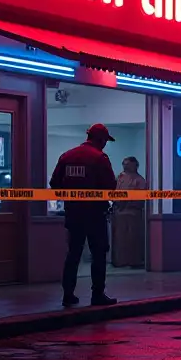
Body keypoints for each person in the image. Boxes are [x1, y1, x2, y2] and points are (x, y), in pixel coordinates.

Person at [50, 124, 118, 306]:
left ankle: (68, 295)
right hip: (96, 214)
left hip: (73, 213)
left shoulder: (67, 156)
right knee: (99, 254)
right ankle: (97, 294)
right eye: (104, 141)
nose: (104, 145)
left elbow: (54, 183)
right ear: (100, 139)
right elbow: (111, 186)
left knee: (73, 254)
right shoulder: (100, 158)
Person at [113, 156, 149, 268]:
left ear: (135, 165)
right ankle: (120, 261)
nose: (125, 166)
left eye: (127, 164)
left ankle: (134, 261)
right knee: (119, 238)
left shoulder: (140, 180)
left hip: (133, 213)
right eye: (124, 164)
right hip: (119, 213)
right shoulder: (120, 178)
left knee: (133, 238)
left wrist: (126, 204)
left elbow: (140, 198)